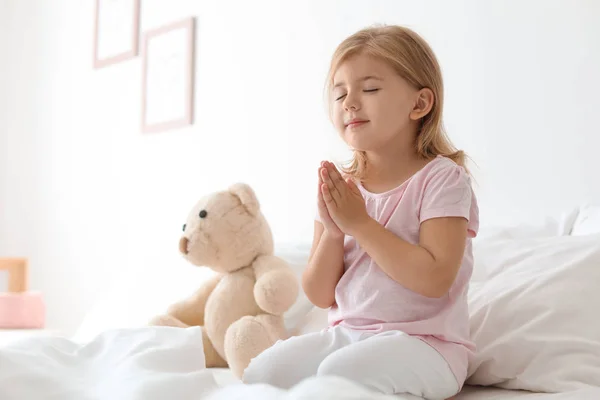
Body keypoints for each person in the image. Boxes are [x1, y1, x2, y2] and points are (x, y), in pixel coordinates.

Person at [242, 24, 479, 400]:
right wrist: (336, 232)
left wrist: (360, 224)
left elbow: (435, 278)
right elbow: (320, 295)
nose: (350, 102)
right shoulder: (342, 187)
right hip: (348, 336)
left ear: (419, 104)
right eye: (340, 94)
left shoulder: (443, 179)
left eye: (369, 89)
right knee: (264, 373)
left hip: (427, 346)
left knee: (341, 375)